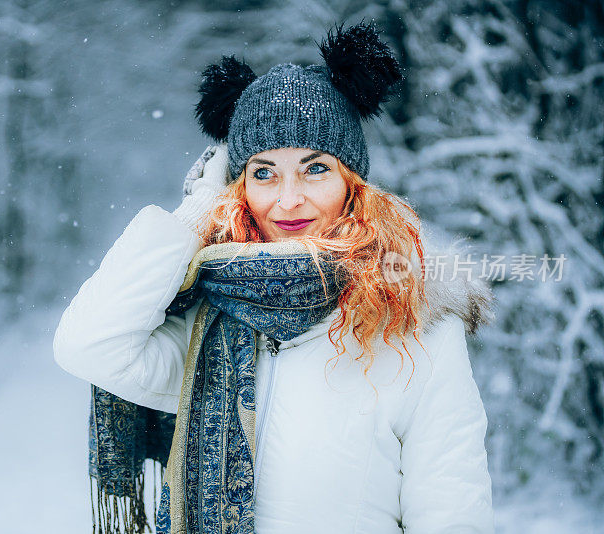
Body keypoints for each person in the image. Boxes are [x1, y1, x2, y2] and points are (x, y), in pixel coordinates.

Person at [54, 21, 495, 534]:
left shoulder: (415, 326)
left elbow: (452, 514)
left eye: (315, 170)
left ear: (354, 185)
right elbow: (86, 345)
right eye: (262, 173)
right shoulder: (204, 319)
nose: (287, 199)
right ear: (237, 187)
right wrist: (199, 208)